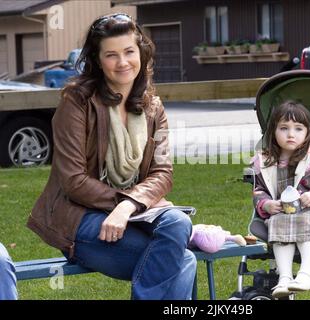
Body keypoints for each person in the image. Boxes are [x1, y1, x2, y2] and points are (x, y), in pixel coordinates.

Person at [27, 13, 196, 300]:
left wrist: (126, 207)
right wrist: (124, 203)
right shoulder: (77, 102)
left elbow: (163, 172)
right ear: (97, 59)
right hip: (78, 218)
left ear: (141, 52)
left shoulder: (153, 107)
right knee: (182, 261)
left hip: (129, 212)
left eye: (129, 51)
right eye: (111, 55)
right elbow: (73, 180)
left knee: (178, 224)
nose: (122, 62)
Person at [252, 100, 310, 298]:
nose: (291, 134)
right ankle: (284, 277)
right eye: (284, 128)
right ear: (273, 131)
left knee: (306, 218)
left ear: (307, 133)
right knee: (276, 221)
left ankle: (307, 273)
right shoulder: (266, 161)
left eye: (298, 128)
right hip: (282, 212)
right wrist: (266, 203)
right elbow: (259, 190)